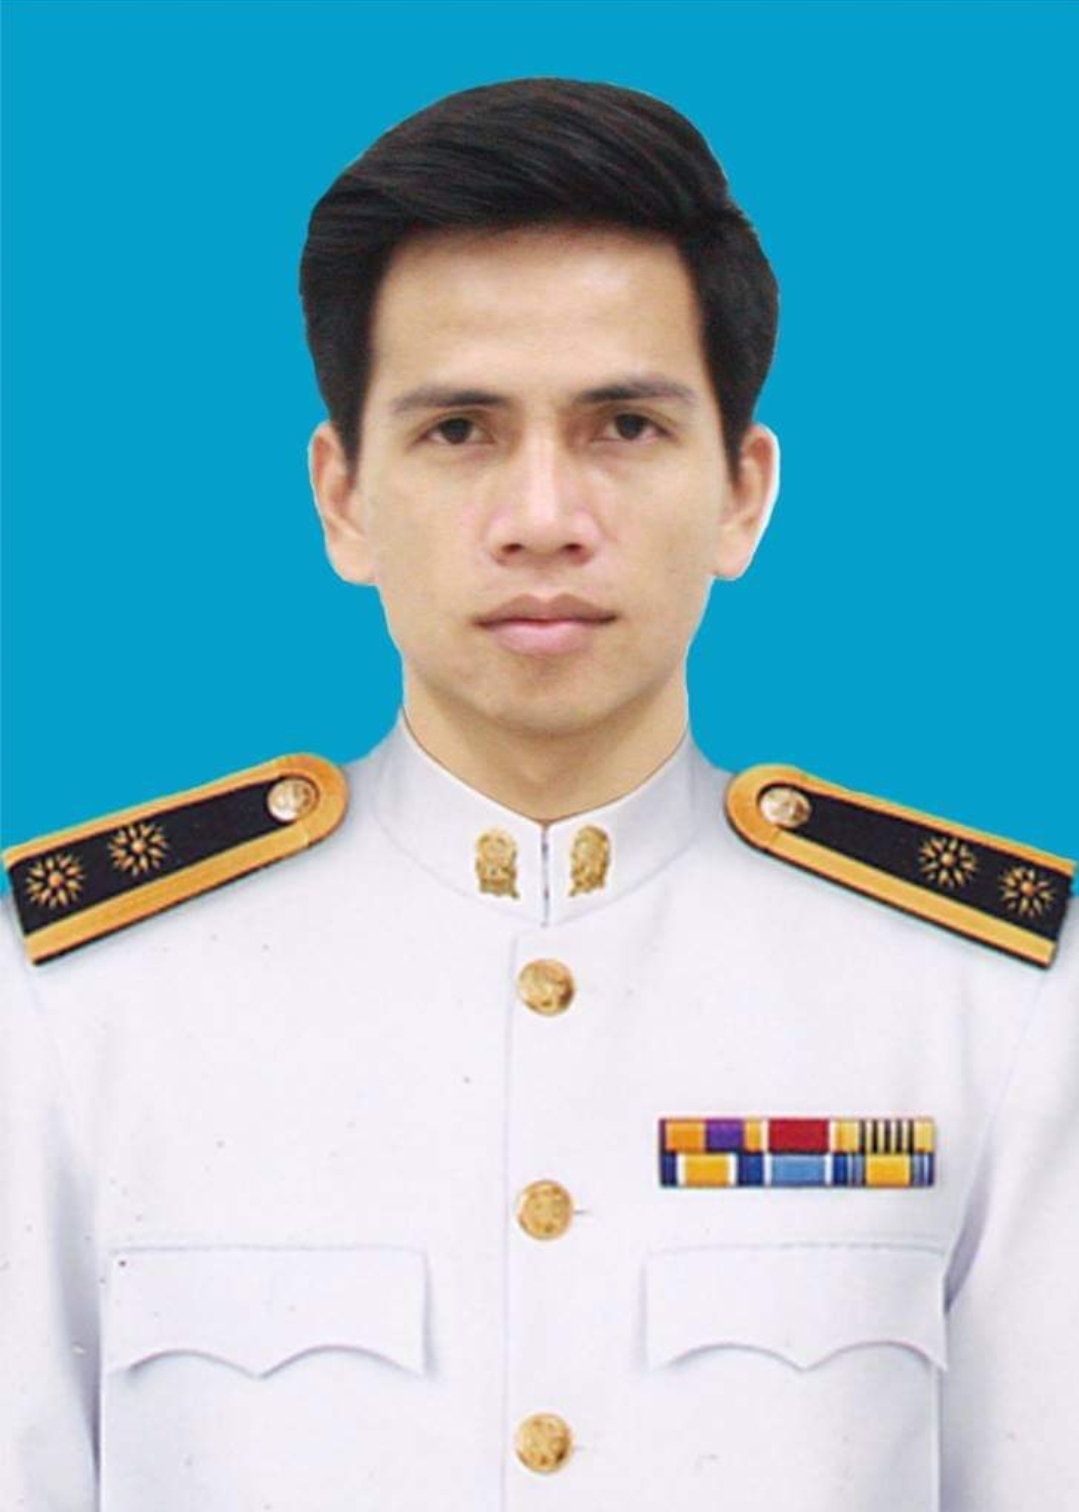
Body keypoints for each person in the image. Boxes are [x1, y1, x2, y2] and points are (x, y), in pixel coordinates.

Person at [2, 77, 1076, 1512]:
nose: (544, 520)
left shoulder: (983, 998)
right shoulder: (73, 998)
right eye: (460, 430)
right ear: (342, 496)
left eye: (624, 425)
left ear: (744, 491)